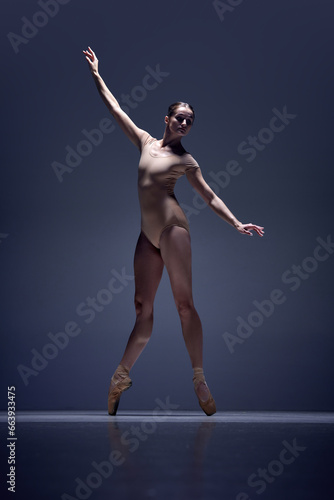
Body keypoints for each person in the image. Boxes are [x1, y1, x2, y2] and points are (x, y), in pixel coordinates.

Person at [83, 46, 264, 416]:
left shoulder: (187, 160)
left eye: (190, 121)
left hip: (172, 227)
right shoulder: (145, 142)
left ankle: (199, 378)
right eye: (180, 118)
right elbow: (115, 109)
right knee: (141, 309)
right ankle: (120, 376)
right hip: (146, 235)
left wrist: (235, 222)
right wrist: (97, 74)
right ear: (166, 119)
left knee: (183, 305)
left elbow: (210, 195)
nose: (184, 124)